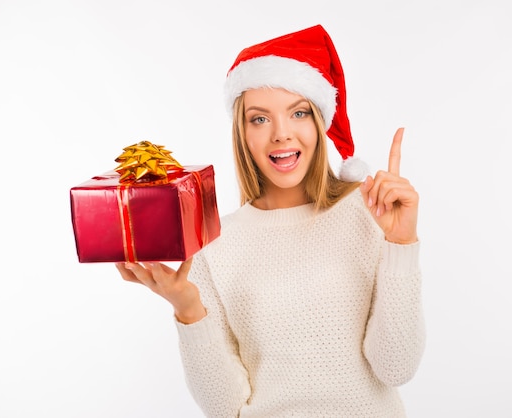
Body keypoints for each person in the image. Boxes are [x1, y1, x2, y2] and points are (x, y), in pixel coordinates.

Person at [116, 24, 425, 417]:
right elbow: (224, 406)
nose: (281, 134)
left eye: (298, 113)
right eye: (259, 119)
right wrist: (188, 308)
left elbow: (396, 367)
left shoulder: (371, 212)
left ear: (318, 121)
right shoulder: (214, 240)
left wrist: (401, 246)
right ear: (242, 133)